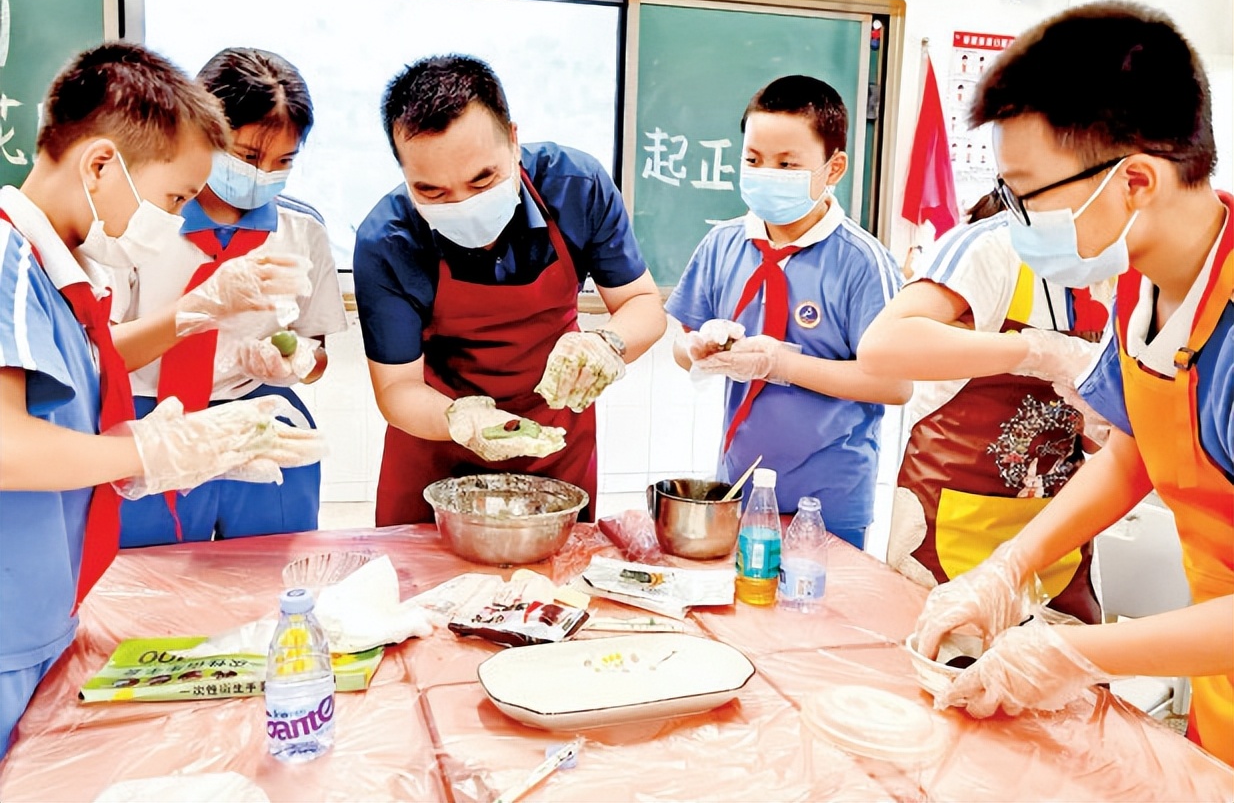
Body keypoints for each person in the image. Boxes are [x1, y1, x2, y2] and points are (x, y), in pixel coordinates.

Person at [909, 1, 1234, 767]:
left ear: (1136, 182)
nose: (1013, 219)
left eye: (1028, 193)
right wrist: (1006, 569)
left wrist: (1078, 655)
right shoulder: (1143, 281)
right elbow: (1138, 451)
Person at [0, 43, 325, 757]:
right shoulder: (10, 264)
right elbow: (5, 444)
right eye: (175, 197)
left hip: (38, 608)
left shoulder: (57, 274)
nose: (175, 218)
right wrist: (147, 449)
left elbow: (89, 372)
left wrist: (204, 318)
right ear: (100, 165)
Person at [353, 54, 665, 525]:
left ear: (514, 141)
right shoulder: (388, 241)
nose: (464, 205)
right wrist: (463, 420)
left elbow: (643, 304)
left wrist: (607, 344)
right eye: (433, 192)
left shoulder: (575, 187)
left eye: (484, 178)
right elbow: (397, 388)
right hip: (436, 443)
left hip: (555, 437)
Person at [112, 47, 346, 546]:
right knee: (152, 584)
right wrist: (199, 307)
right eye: (247, 157)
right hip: (154, 419)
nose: (264, 174)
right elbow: (103, 351)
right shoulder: (137, 219)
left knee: (274, 579)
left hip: (260, 417)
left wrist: (296, 361)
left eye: (284, 161)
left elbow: (317, 352)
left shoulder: (302, 228)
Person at [666, 75, 910, 549]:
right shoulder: (723, 244)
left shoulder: (862, 261)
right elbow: (681, 348)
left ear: (833, 168)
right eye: (753, 160)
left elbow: (895, 385)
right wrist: (694, 349)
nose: (765, 173)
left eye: (786, 164)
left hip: (830, 502)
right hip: (736, 488)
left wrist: (782, 364)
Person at [858, 189, 1112, 624]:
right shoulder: (990, 247)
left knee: (1055, 681)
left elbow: (1102, 443)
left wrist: (1104, 418)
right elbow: (884, 345)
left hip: (1057, 537)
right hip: (952, 531)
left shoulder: (1118, 265)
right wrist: (1033, 351)